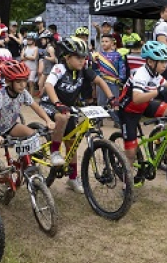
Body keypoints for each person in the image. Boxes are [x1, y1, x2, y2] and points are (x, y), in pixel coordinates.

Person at [40, 36, 116, 193]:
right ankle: (54, 151)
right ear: (67, 58)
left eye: (84, 57)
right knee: (62, 117)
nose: (82, 61)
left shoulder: (84, 71)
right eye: (78, 58)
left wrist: (112, 99)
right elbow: (48, 85)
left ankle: (73, 178)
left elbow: (101, 82)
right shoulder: (59, 68)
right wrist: (57, 104)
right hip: (50, 104)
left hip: (68, 107)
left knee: (72, 144)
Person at [0, 60, 55, 188]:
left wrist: (48, 120)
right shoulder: (0, 95)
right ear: (9, 81)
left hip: (10, 126)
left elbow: (36, 107)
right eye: (18, 82)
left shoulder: (23, 93)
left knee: (32, 135)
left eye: (24, 80)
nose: (23, 85)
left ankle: (23, 166)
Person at [117, 41, 167, 167]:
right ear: (151, 62)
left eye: (166, 61)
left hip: (145, 105)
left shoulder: (156, 74)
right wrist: (157, 92)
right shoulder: (141, 74)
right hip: (128, 111)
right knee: (130, 154)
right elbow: (136, 98)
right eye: (162, 62)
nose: (165, 65)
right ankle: (125, 180)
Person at [92, 34, 126, 107]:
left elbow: (122, 67)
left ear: (112, 43)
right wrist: (94, 62)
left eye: (106, 41)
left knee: (114, 102)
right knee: (101, 103)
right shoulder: (97, 55)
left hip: (114, 82)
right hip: (101, 82)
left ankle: (114, 116)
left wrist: (121, 78)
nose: (104, 43)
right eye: (102, 41)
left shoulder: (117, 55)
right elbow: (94, 69)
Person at [36, 30, 57, 97]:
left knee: (46, 85)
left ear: (48, 39)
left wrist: (45, 57)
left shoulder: (50, 48)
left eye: (43, 39)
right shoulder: (47, 47)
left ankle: (44, 97)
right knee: (40, 83)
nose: (42, 41)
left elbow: (53, 59)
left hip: (50, 69)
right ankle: (43, 95)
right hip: (46, 69)